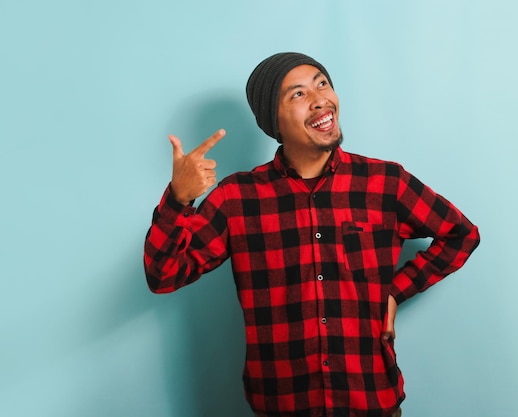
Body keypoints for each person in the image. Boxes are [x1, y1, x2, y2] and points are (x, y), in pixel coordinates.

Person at [144, 52, 480, 417]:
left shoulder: (385, 182)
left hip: (370, 402)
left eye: (322, 84)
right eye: (298, 94)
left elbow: (461, 235)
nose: (321, 99)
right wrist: (179, 200)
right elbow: (163, 276)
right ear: (273, 120)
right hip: (281, 404)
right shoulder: (237, 197)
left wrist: (395, 293)